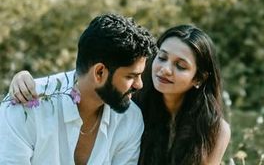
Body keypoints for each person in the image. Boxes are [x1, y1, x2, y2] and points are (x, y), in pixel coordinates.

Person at [9, 24, 231, 165]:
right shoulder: (131, 105)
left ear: (199, 78)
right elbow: (92, 74)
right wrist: (26, 80)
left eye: (180, 66)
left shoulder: (212, 129)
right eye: (162, 58)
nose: (164, 69)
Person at [0, 13, 156, 165]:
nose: (139, 85)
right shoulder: (25, 108)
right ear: (99, 72)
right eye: (130, 76)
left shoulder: (130, 119)